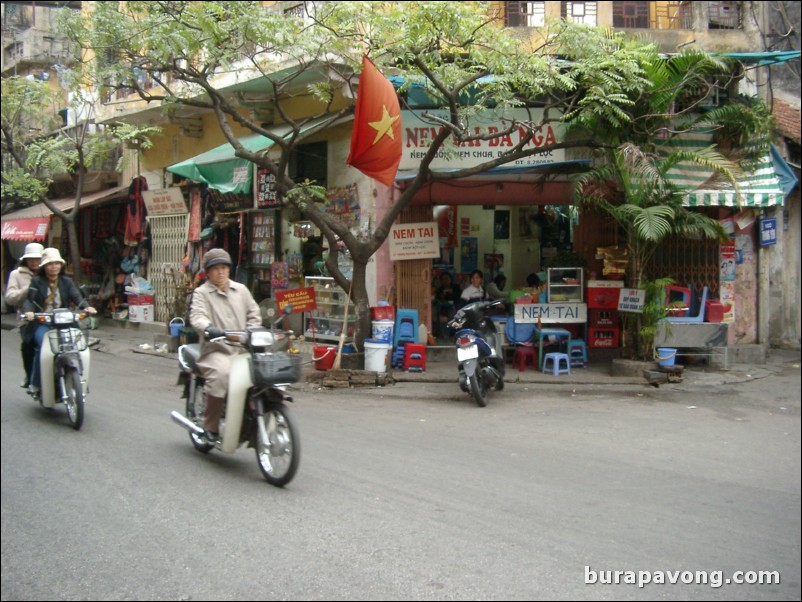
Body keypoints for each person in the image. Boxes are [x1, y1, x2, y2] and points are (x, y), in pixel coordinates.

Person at [189, 248, 261, 442]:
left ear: (229, 269)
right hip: (216, 351)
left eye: (224, 268)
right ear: (208, 272)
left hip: (242, 350)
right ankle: (210, 425)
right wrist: (208, 328)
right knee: (221, 374)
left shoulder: (241, 290)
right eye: (216, 269)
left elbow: (254, 313)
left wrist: (253, 330)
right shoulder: (201, 293)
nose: (220, 272)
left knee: (262, 374)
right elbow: (197, 316)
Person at [22, 248, 97, 398]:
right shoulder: (36, 281)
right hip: (43, 322)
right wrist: (29, 312)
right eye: (50, 264)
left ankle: (81, 379)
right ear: (44, 267)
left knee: (78, 345)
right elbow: (29, 300)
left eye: (57, 263)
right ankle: (36, 384)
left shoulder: (66, 281)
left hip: (64, 321)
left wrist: (86, 307)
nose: (54, 267)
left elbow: (76, 297)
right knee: (44, 346)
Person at [5, 243, 44, 388]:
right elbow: (10, 298)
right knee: (28, 345)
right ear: (26, 260)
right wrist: (28, 289)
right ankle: (30, 375)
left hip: (47, 317)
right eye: (31, 259)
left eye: (38, 259)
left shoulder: (48, 272)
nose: (34, 262)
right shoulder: (17, 274)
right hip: (27, 319)